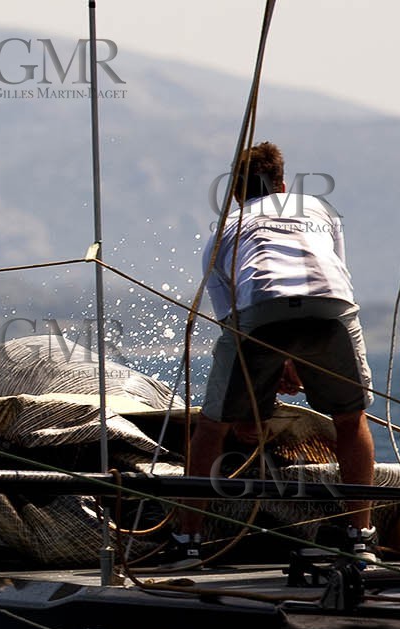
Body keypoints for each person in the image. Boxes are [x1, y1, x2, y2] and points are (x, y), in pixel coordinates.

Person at [154, 141, 376, 569]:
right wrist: (295, 362)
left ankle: (189, 539)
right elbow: (330, 276)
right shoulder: (318, 208)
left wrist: (264, 385)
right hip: (330, 303)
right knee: (350, 418)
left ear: (235, 192)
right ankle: (359, 536)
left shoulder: (225, 232)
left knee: (212, 427)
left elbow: (237, 322)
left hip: (261, 308)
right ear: (282, 182)